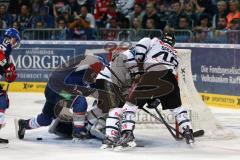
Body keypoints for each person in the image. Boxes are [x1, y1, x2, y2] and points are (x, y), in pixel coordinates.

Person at [16, 55, 103, 140]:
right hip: (58, 88)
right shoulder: (84, 66)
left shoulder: (90, 72)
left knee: (46, 119)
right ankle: (78, 131)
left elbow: (96, 89)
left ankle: (24, 124)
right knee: (80, 101)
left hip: (53, 89)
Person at [0, 28, 20, 136]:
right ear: (11, 38)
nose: (15, 43)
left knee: (2, 100)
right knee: (2, 101)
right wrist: (7, 67)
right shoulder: (6, 42)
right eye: (15, 40)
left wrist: (7, 71)